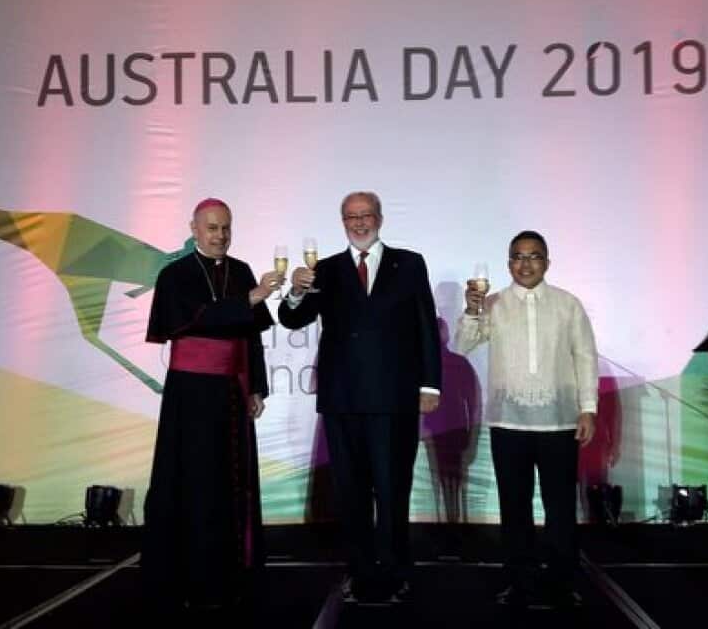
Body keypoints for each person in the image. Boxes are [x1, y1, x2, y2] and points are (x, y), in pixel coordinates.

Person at [280, 191, 441, 603]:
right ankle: (359, 570)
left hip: (394, 399)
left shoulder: (409, 263)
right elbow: (292, 318)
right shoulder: (326, 269)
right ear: (342, 221)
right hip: (343, 398)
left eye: (366, 215)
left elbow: (425, 324)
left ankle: (394, 570)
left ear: (380, 218)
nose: (359, 222)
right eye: (351, 217)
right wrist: (296, 291)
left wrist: (430, 384)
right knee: (350, 493)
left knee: (392, 489)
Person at [141, 198, 285, 610]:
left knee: (232, 482)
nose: (220, 235)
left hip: (232, 393)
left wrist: (256, 386)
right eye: (212, 228)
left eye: (226, 228)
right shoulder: (174, 275)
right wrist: (252, 298)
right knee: (195, 482)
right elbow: (197, 319)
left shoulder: (239, 271)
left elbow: (250, 336)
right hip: (191, 396)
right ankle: (192, 575)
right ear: (194, 228)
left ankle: (233, 571)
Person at [455, 230, 597, 607]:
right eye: (518, 257)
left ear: (547, 263)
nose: (525, 263)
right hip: (509, 423)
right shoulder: (494, 304)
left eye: (534, 256)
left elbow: (585, 357)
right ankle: (519, 582)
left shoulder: (568, 304)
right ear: (508, 264)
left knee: (561, 509)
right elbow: (462, 345)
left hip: (560, 421)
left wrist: (589, 409)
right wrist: (472, 309)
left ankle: (561, 583)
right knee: (514, 509)